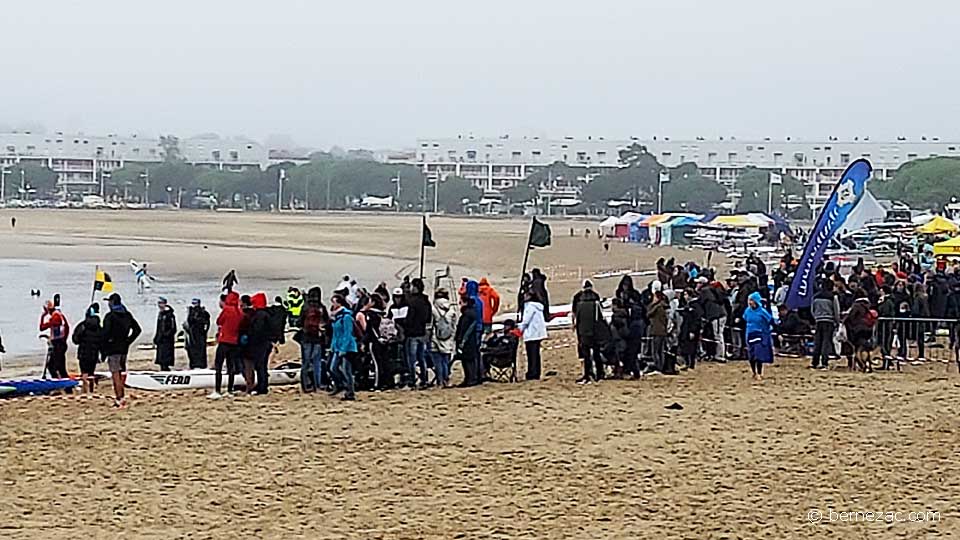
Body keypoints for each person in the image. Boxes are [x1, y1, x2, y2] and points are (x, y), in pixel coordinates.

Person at [101, 293, 141, 408]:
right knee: (121, 372)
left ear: (112, 303)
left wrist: (103, 349)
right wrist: (128, 340)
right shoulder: (127, 314)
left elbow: (105, 333)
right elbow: (137, 329)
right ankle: (121, 396)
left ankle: (120, 398)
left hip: (113, 347)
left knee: (115, 374)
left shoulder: (110, 316)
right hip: (124, 347)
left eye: (109, 301)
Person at [297, 287, 329, 393]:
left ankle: (305, 385)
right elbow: (327, 321)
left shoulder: (305, 307)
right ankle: (318, 385)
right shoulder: (321, 307)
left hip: (306, 337)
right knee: (317, 363)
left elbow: (299, 321)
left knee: (305, 362)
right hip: (318, 337)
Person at [211, 292, 243, 399]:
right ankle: (230, 389)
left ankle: (217, 390)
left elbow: (219, 321)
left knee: (218, 366)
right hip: (234, 341)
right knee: (231, 366)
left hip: (224, 340)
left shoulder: (227, 310)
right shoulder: (239, 312)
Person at [572, 280, 604, 383]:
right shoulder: (596, 300)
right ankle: (600, 373)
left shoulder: (579, 301)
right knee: (596, 352)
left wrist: (576, 328)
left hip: (583, 331)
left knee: (586, 355)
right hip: (594, 330)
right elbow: (600, 317)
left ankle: (588, 374)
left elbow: (576, 316)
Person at [404, 278, 433, 389]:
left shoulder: (412, 302)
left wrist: (406, 325)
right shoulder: (426, 301)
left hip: (413, 333)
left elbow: (409, 318)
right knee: (421, 358)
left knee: (412, 359)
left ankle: (412, 380)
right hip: (422, 332)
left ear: (415, 288)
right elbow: (428, 317)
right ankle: (424, 379)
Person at [329, 294, 358, 401]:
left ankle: (350, 392)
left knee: (346, 370)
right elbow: (335, 334)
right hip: (337, 346)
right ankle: (340, 385)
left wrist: (344, 349)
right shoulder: (336, 317)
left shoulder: (346, 317)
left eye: (334, 302)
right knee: (332, 368)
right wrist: (332, 346)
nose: (333, 304)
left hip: (347, 347)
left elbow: (347, 334)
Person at [72, 303, 103, 393]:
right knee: (91, 372)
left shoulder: (83, 326)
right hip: (94, 352)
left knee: (84, 372)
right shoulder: (99, 327)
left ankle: (85, 390)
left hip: (83, 352)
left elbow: (75, 340)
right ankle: (91, 389)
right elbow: (101, 340)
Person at [517, 289, 547, 380]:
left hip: (532, 333)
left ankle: (532, 372)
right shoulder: (538, 306)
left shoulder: (530, 306)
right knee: (536, 354)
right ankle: (536, 371)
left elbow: (526, 320)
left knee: (531, 354)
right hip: (537, 333)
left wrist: (519, 329)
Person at [246, 293, 273, 395]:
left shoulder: (260, 315)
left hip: (260, 344)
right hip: (265, 343)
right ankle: (263, 385)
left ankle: (262, 387)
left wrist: (250, 338)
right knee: (262, 366)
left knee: (260, 366)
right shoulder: (266, 314)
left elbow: (257, 331)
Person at [430, 288, 458, 388]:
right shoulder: (451, 309)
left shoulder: (433, 308)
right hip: (448, 338)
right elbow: (454, 325)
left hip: (435, 338)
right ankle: (447, 379)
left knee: (437, 362)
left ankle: (440, 381)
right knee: (446, 361)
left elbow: (430, 325)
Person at [743, 292, 773, 381]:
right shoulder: (747, 311)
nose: (750, 302)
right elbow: (744, 318)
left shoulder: (762, 312)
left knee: (758, 355)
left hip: (760, 334)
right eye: (749, 300)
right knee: (751, 355)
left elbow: (770, 320)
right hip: (749, 334)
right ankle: (754, 372)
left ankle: (759, 373)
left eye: (752, 300)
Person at [811, 280, 841, 370]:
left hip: (818, 320)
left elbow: (812, 309)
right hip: (829, 321)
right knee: (826, 342)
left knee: (817, 342)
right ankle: (824, 362)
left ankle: (815, 361)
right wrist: (837, 321)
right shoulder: (832, 297)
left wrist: (816, 317)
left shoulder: (815, 297)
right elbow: (836, 310)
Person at [39, 299, 70, 381]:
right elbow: (43, 328)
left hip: (59, 343)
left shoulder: (56, 316)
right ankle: (62, 383)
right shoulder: (57, 315)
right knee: (56, 366)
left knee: (54, 366)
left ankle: (62, 384)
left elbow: (43, 327)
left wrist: (44, 316)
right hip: (58, 342)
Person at [455, 295, 481, 387]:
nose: (459, 304)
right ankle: (470, 378)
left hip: (467, 341)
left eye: (461, 302)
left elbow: (464, 329)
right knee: (469, 360)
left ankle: (470, 379)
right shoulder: (471, 313)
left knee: (467, 360)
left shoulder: (467, 315)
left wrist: (461, 340)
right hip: (470, 340)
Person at [678, 288, 704, 370]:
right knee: (687, 346)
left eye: (686, 294)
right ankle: (688, 363)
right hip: (687, 328)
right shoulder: (689, 305)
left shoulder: (695, 305)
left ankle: (690, 364)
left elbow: (696, 319)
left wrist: (693, 330)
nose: (685, 297)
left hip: (691, 329)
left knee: (690, 347)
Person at [647, 282, 669, 375]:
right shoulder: (664, 307)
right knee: (661, 351)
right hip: (662, 331)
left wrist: (653, 304)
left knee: (655, 351)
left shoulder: (657, 307)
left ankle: (658, 367)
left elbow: (648, 314)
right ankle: (661, 366)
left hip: (656, 330)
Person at [185, 298, 211, 369]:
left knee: (200, 350)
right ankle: (194, 364)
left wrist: (204, 331)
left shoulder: (203, 313)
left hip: (200, 334)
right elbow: (189, 322)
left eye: (195, 304)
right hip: (192, 333)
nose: (194, 306)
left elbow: (206, 323)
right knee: (192, 349)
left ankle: (200, 364)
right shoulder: (191, 312)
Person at [154, 297, 177, 371]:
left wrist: (166, 335)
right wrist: (156, 337)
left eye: (161, 303)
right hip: (161, 339)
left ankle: (166, 369)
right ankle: (163, 368)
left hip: (167, 340)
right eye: (159, 303)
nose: (160, 305)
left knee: (166, 357)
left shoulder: (169, 314)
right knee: (161, 358)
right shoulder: (161, 314)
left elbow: (173, 328)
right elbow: (158, 327)